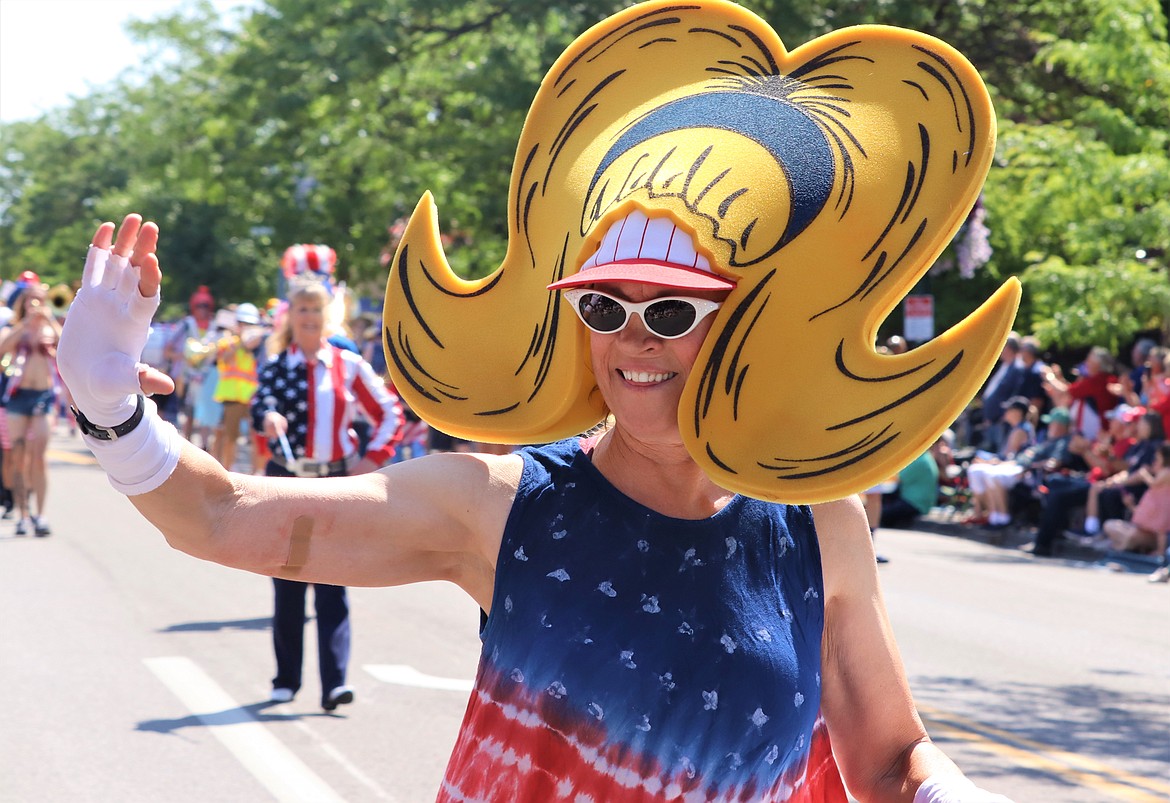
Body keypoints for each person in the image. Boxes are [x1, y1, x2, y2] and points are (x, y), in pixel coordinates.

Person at [59, 2, 1020, 800]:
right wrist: (113, 413)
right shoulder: (502, 504)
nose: (632, 337)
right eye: (604, 302)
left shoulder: (820, 528)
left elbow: (891, 758)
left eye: (674, 309)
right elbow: (225, 517)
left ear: (753, 326)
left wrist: (948, 792)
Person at [250, 278, 406, 711]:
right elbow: (261, 403)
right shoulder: (278, 365)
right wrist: (270, 419)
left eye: (316, 310)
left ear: (327, 316)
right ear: (290, 316)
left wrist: (371, 460)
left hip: (335, 484)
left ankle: (334, 683)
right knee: (288, 579)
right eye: (302, 309)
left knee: (333, 581)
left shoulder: (348, 364)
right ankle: (286, 680)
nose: (309, 318)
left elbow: (389, 410)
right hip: (288, 482)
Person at [0, 276, 61, 536]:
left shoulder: (50, 328)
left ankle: (41, 515)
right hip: (18, 396)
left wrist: (49, 321)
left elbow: (67, 346)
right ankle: (23, 515)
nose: (36, 303)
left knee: (39, 455)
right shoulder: (16, 327)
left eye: (40, 299)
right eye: (31, 299)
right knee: (18, 456)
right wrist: (25, 323)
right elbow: (2, 348)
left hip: (43, 396)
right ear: (23, 303)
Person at [212, 302, 265, 472]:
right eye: (244, 324)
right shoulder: (227, 342)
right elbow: (224, 360)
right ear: (237, 324)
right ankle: (226, 473)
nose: (247, 327)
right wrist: (242, 343)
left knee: (258, 436)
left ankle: (257, 475)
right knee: (230, 437)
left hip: (253, 397)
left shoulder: (260, 344)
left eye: (250, 324)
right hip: (232, 396)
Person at [1098, 442, 1170, 555]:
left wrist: (1144, 475)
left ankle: (1160, 551)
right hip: (1143, 526)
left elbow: (1154, 483)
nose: (1155, 461)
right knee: (1110, 525)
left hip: (1161, 513)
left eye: (1158, 458)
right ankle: (1124, 546)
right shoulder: (1158, 479)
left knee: (1160, 530)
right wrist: (1130, 504)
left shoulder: (1167, 472)